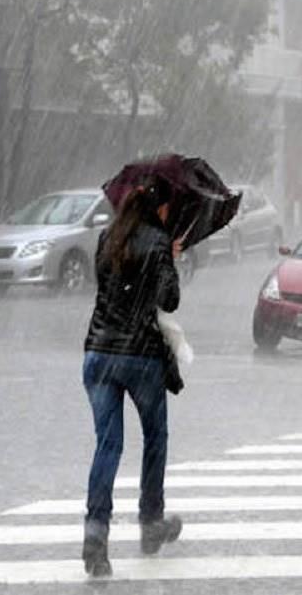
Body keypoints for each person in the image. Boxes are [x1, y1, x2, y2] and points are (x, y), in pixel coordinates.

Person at [81, 175, 183, 577]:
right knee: (155, 438)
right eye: (168, 209)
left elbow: (107, 289)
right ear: (160, 209)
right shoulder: (158, 242)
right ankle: (150, 523)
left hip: (98, 353)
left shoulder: (108, 238)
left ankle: (95, 537)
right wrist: (169, 259)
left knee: (108, 445)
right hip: (140, 357)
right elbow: (168, 300)